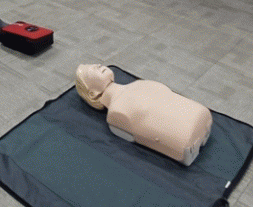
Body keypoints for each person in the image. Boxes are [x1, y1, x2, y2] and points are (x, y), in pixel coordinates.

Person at [74, 64, 212, 166]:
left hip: (196, 119)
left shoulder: (137, 85)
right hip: (186, 136)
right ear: (92, 93)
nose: (98, 65)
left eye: (95, 64)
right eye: (91, 69)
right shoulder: (116, 113)